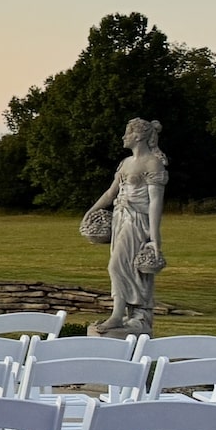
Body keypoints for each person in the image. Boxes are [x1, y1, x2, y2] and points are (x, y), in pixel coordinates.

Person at [86, 118, 167, 337]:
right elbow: (111, 193)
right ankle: (127, 315)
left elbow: (155, 202)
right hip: (120, 219)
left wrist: (154, 234)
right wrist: (91, 210)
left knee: (117, 266)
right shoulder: (125, 163)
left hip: (137, 221)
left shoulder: (153, 163)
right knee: (126, 268)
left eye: (127, 133)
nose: (123, 137)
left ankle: (123, 315)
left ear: (139, 136)